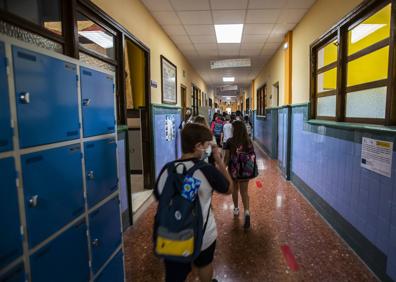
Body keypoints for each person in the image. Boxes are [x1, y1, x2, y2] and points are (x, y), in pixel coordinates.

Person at [155, 123, 233, 282]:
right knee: (204, 264)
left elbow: (160, 196)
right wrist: (218, 159)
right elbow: (229, 188)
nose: (209, 149)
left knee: (174, 274)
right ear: (198, 146)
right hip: (203, 234)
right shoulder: (206, 170)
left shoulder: (167, 170)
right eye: (208, 145)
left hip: (172, 235)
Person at [223, 120, 257, 230]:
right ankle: (246, 212)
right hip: (245, 172)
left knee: (234, 189)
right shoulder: (248, 142)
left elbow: (226, 158)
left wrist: (223, 168)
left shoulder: (229, 141)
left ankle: (236, 209)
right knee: (244, 192)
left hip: (233, 170)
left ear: (235, 129)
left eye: (233, 128)